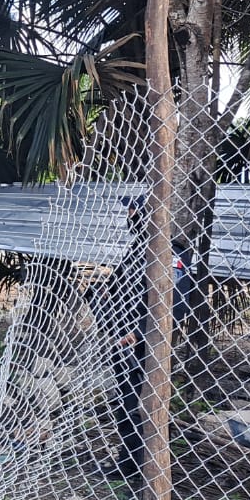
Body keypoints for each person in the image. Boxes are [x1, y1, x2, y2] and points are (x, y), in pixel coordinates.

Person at [88, 195, 195, 482]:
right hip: (124, 341)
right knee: (126, 403)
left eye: (134, 211)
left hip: (145, 345)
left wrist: (138, 332)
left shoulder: (169, 253)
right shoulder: (140, 248)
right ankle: (130, 463)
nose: (130, 217)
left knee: (143, 405)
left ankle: (149, 469)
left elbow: (175, 302)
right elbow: (125, 290)